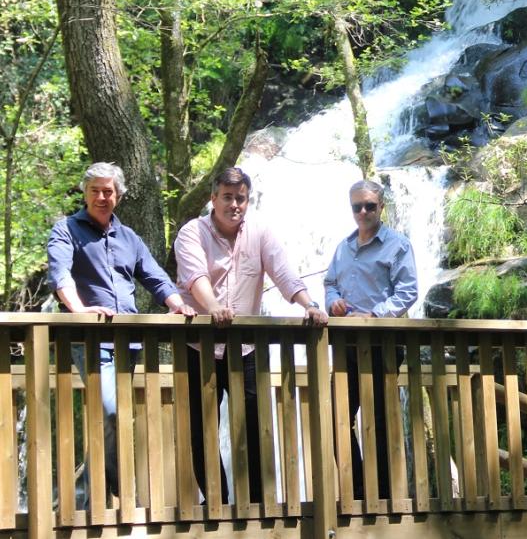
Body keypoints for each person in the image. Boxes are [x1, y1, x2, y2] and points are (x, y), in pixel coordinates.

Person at [174, 166, 327, 504]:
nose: (234, 204)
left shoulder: (260, 232)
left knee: (257, 425)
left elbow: (283, 270)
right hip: (198, 345)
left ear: (248, 201)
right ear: (213, 199)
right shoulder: (191, 232)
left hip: (245, 348)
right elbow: (194, 276)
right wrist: (213, 306)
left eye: (240, 198)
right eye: (227, 197)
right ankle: (217, 500)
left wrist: (309, 305)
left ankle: (259, 503)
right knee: (201, 429)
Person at [47, 162, 196, 503]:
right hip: (90, 339)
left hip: (128, 342)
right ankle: (116, 491)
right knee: (111, 412)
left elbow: (156, 277)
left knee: (109, 420)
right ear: (85, 193)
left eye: (108, 191)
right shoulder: (66, 229)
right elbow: (60, 274)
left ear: (119, 195)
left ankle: (90, 500)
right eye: (95, 190)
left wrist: (177, 304)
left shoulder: (130, 238)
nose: (102, 196)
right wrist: (79, 310)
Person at [325, 179, 417, 500]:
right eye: (356, 206)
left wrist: (374, 316)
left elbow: (408, 292)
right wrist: (332, 303)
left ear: (381, 207)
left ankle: (382, 496)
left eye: (369, 206)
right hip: (345, 346)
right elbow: (330, 285)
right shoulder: (343, 248)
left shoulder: (398, 245)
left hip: (382, 344)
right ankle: (360, 489)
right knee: (337, 416)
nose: (362, 212)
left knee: (379, 420)